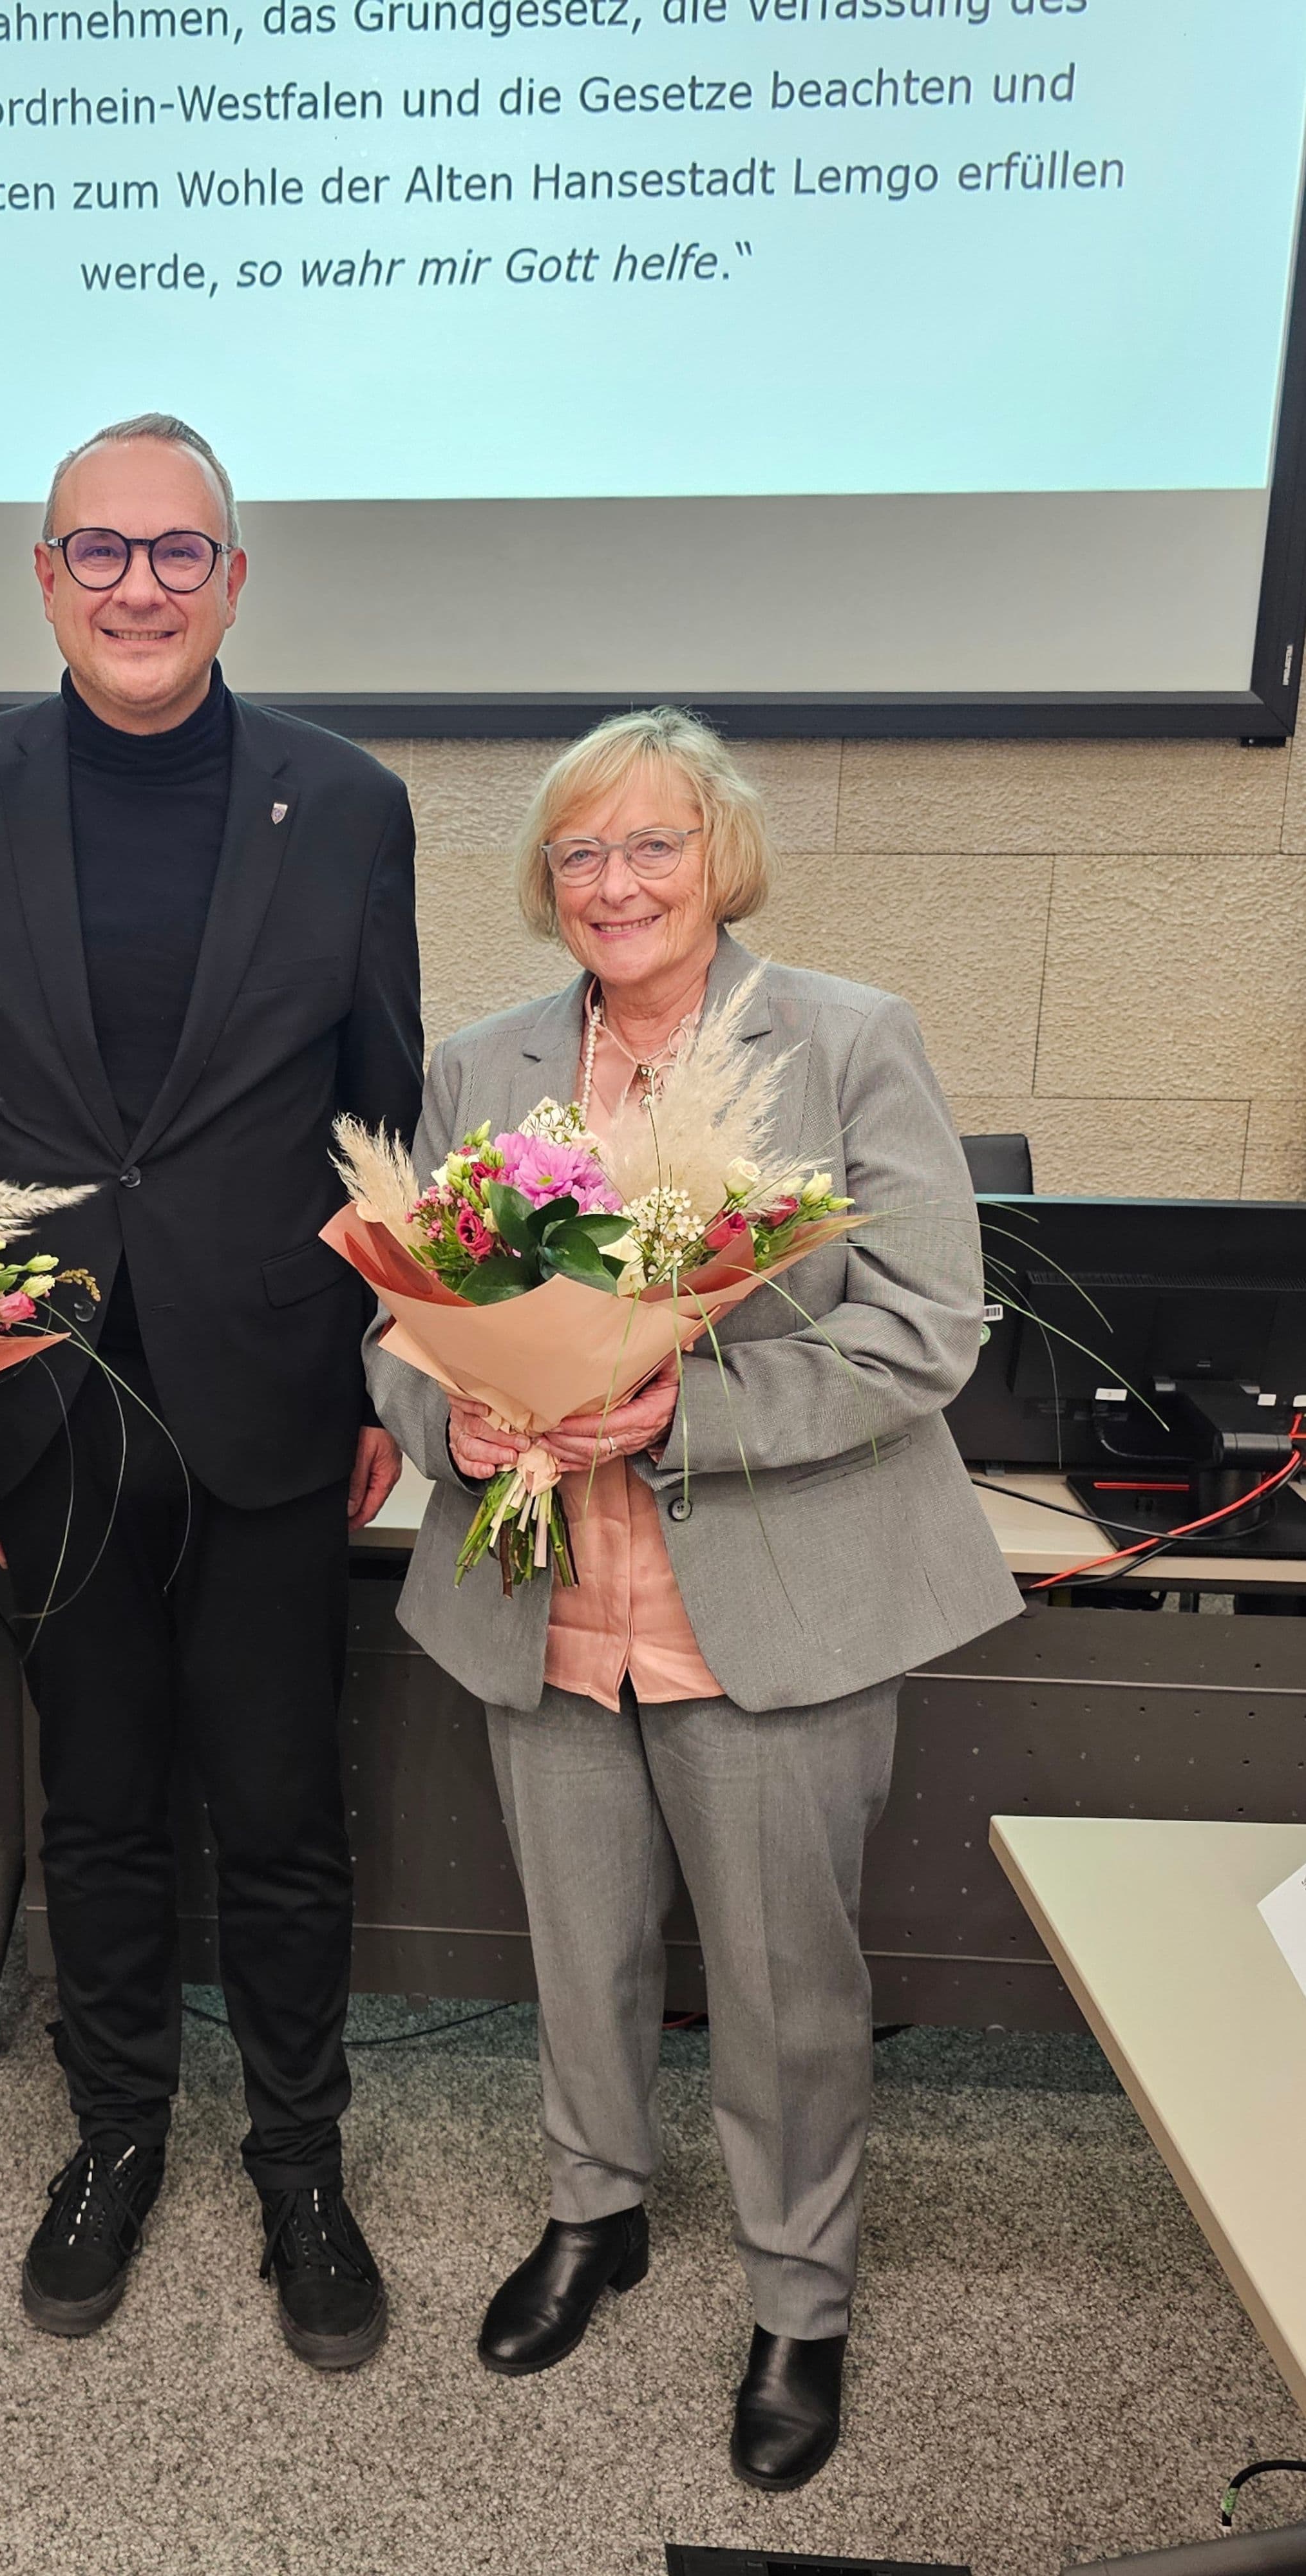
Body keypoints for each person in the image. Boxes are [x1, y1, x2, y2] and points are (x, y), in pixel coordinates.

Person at [368, 706, 1019, 2485]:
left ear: (718, 856)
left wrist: (690, 1413)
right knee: (576, 1956)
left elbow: (923, 1328)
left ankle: (801, 2294)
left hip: (771, 1601)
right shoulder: (477, 1069)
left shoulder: (844, 1041)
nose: (617, 882)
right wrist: (459, 1412)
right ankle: (599, 2211)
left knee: (785, 1982)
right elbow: (399, 1326)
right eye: (580, 853)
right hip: (546, 1596)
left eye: (652, 844)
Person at [0, 414, 422, 2368]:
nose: (136, 584)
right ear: (45, 578)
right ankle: (114, 2138)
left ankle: (301, 2160)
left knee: (281, 1810)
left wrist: (383, 1376)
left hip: (281, 1394)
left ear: (233, 580)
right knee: (97, 1804)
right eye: (96, 551)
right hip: (53, 1397)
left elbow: (382, 1122)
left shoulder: (347, 805)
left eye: (176, 551)